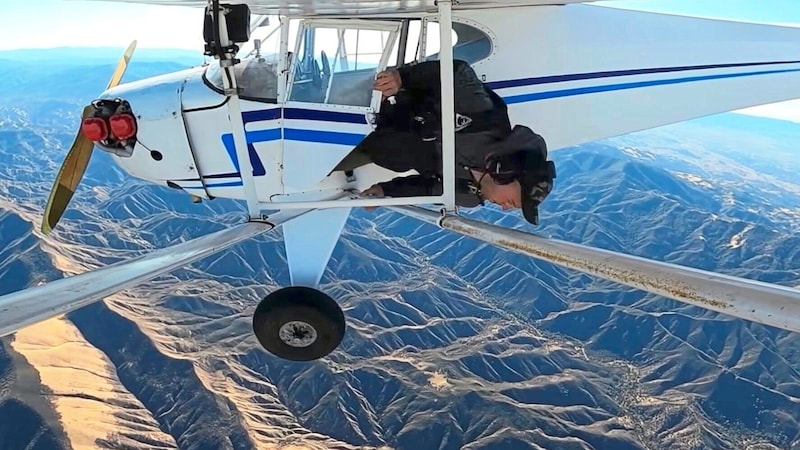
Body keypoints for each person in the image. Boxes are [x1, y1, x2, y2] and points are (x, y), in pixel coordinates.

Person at [334, 59, 556, 225]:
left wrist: (384, 191)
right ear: (509, 173)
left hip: (370, 148)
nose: (505, 208)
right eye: (513, 201)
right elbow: (458, 72)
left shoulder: (468, 196)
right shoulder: (485, 122)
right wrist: (402, 78)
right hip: (371, 106)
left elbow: (426, 188)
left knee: (323, 167)